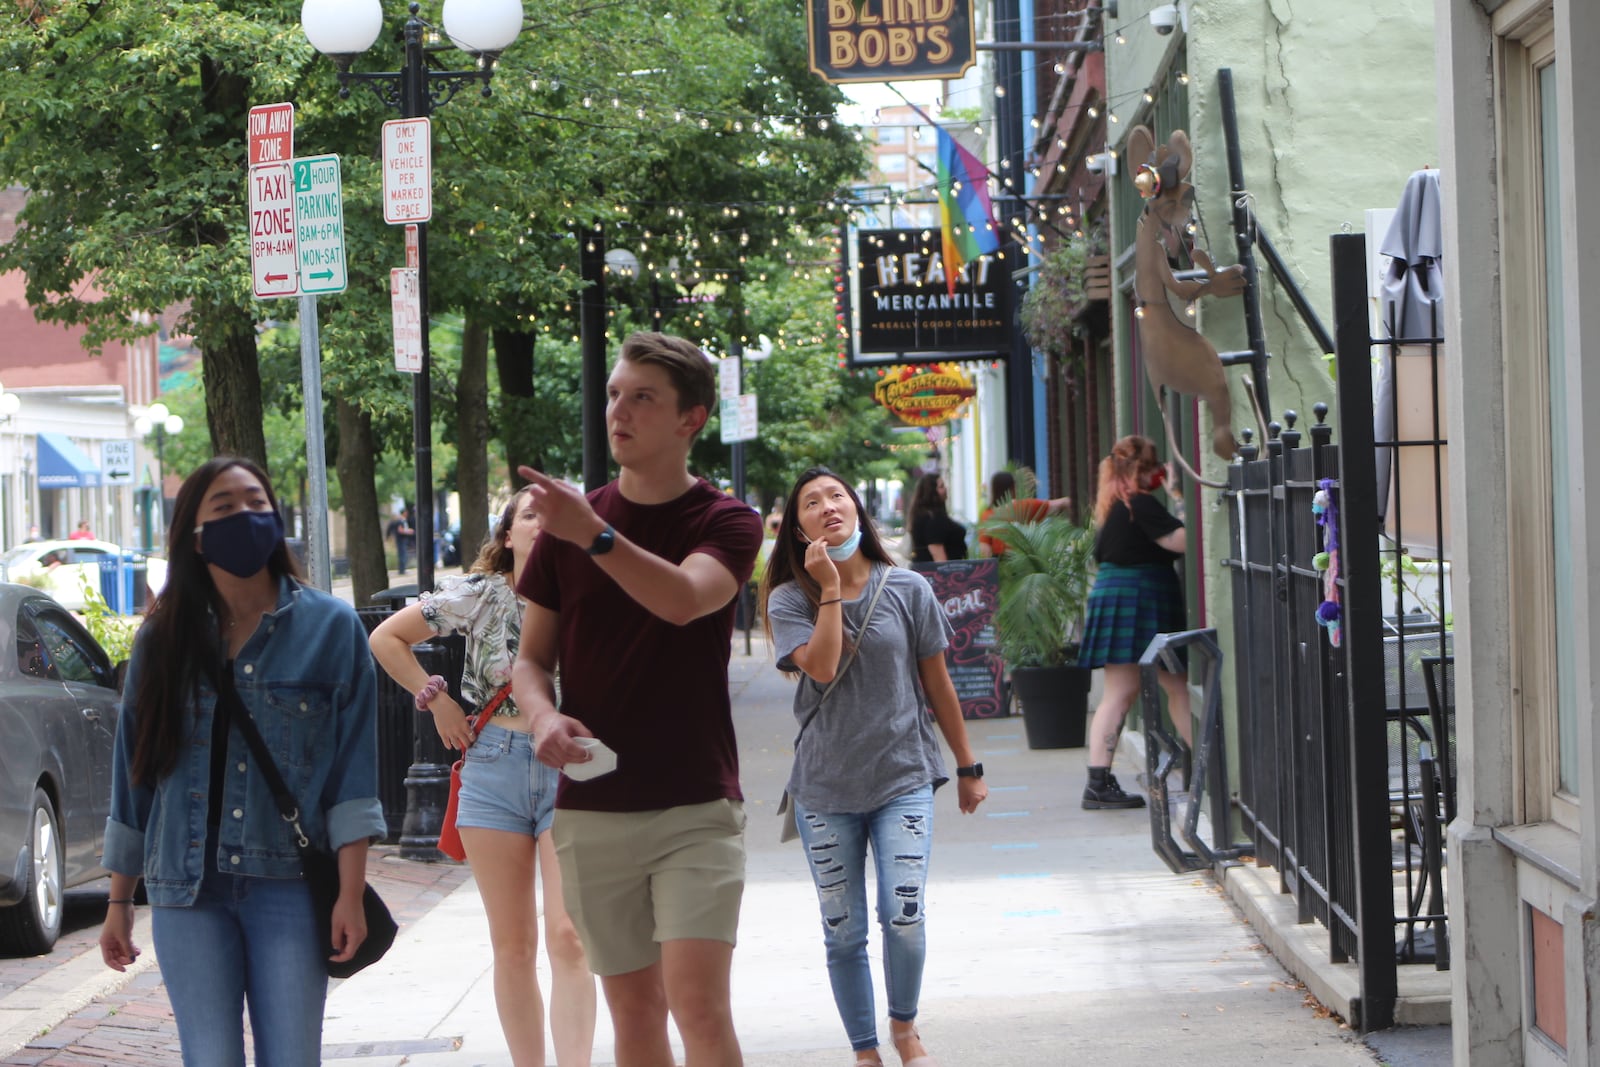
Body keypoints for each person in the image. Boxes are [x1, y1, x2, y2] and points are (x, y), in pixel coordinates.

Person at [512, 331, 762, 1067]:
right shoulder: (568, 531)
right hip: (593, 807)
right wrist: (542, 713)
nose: (619, 410)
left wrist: (594, 534)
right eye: (615, 394)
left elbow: (685, 598)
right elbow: (530, 659)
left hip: (695, 804)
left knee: (698, 1005)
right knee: (634, 1011)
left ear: (692, 417)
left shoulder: (726, 521)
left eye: (643, 397)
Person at [97, 456, 385, 1067]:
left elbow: (352, 781)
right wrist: (119, 903)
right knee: (209, 1057)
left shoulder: (332, 629)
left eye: (257, 503)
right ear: (194, 539)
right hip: (185, 889)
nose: (247, 517)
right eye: (224, 508)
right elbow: (136, 776)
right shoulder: (162, 638)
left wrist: (351, 894)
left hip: (287, 886)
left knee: (291, 1057)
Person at [760, 466, 988, 1067]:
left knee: (903, 911)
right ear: (798, 528)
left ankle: (904, 1025)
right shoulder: (790, 598)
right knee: (843, 930)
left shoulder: (909, 588)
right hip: (824, 788)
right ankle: (865, 1050)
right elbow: (824, 666)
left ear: (858, 510)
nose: (827, 507)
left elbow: (938, 684)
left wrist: (968, 765)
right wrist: (829, 588)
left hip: (903, 776)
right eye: (811, 502)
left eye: (837, 496)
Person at [369, 489, 596, 1067]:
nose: (541, 526)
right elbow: (385, 637)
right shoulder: (480, 596)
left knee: (569, 936)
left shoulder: (593, 592)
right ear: (508, 535)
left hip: (572, 766)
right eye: (529, 516)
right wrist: (436, 699)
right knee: (513, 946)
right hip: (493, 764)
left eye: (553, 518)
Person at [1077, 435, 1191, 810]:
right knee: (1176, 685)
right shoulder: (1139, 503)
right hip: (1141, 596)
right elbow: (1181, 542)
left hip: (1116, 594)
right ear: (1145, 469)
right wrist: (1177, 496)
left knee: (1118, 694)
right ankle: (1210, 768)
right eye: (1155, 466)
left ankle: (1098, 783)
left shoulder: (1111, 505)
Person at [976, 469, 1072, 557]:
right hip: (1025, 565)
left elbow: (985, 550)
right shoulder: (1023, 507)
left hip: (1001, 567)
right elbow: (1064, 502)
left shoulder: (987, 516)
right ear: (1012, 488)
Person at [905, 473, 967, 563]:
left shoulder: (922, 516)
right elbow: (938, 555)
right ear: (931, 492)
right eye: (941, 486)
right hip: (945, 572)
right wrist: (946, 573)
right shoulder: (934, 519)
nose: (946, 489)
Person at [386, 507, 415, 576]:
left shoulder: (403, 520)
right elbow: (400, 530)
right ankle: (402, 570)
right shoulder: (400, 521)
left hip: (403, 540)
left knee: (403, 554)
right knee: (402, 554)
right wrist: (408, 531)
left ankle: (403, 569)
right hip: (401, 540)